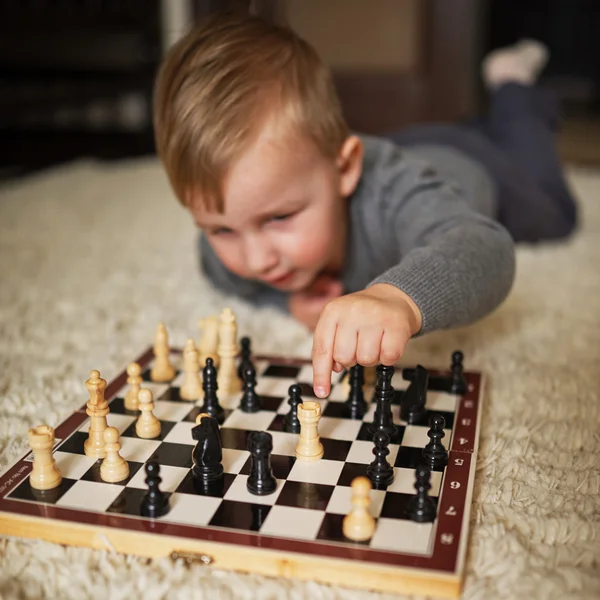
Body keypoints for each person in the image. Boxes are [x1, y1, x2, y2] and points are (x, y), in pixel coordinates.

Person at [152, 13, 578, 398]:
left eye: (279, 217)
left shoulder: (392, 197)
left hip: (478, 168)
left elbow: (487, 249)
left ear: (345, 167)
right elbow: (212, 263)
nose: (257, 259)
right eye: (221, 229)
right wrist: (288, 304)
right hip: (409, 145)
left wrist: (399, 299)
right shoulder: (234, 247)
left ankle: (512, 86)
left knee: (555, 212)